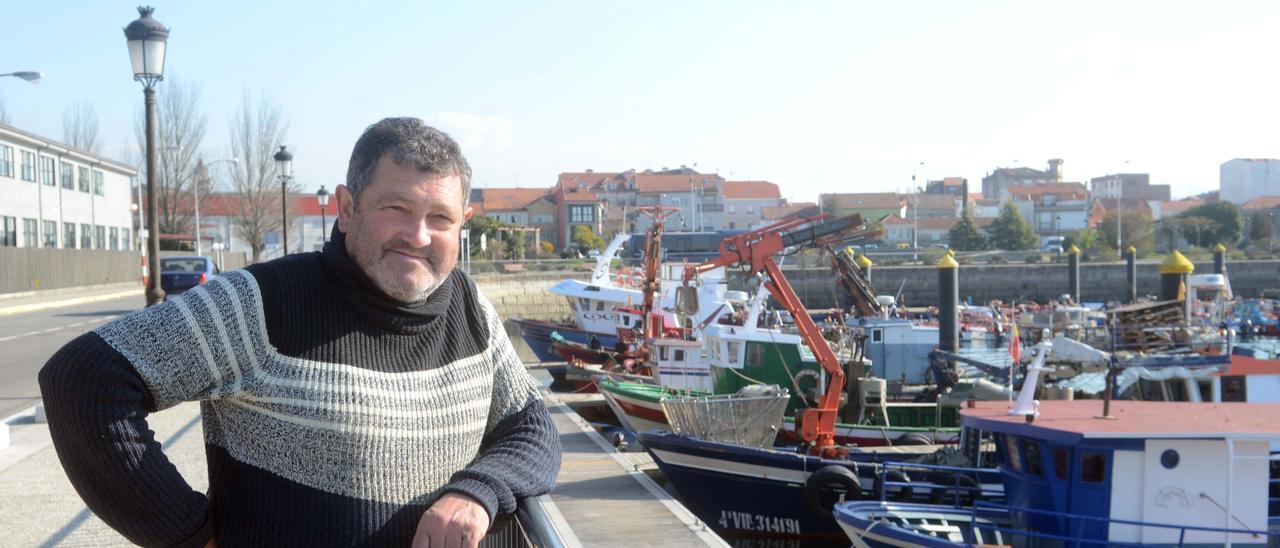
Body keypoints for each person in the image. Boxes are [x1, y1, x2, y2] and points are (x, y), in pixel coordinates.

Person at [39, 118, 561, 547]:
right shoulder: (264, 302)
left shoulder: (466, 306)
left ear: (463, 222)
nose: (418, 235)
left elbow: (531, 428)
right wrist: (186, 533)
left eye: (440, 218)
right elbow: (82, 382)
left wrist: (478, 491)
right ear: (347, 207)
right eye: (395, 208)